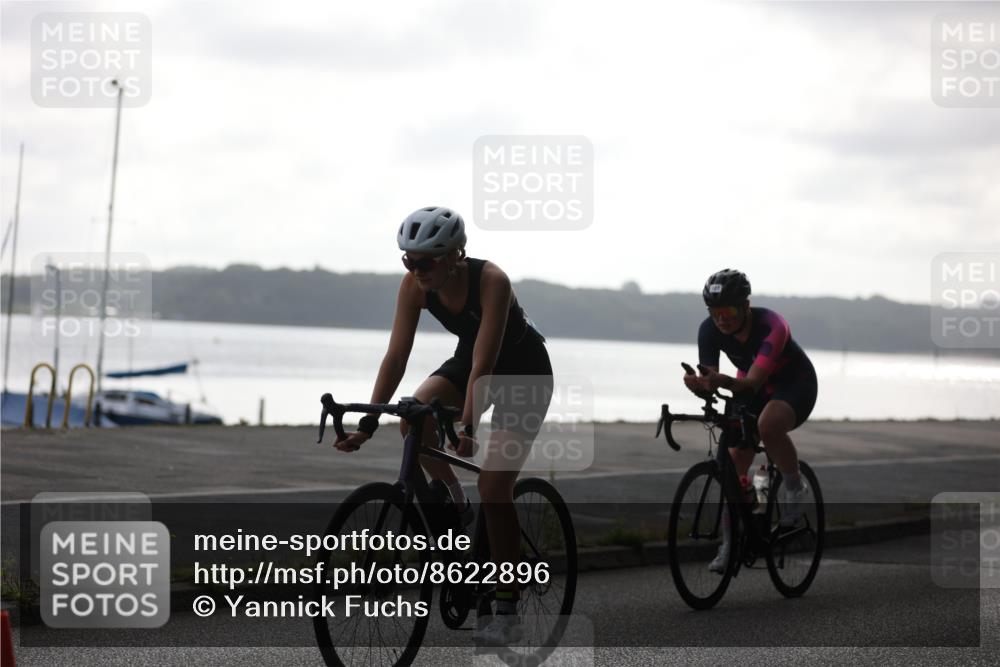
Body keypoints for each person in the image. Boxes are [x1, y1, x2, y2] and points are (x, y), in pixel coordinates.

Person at [333, 206, 553, 645]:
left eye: (427, 261)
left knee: (494, 486)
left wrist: (468, 427)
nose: (417, 270)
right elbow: (396, 357)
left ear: (456, 254)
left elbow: (486, 366)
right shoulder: (414, 285)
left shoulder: (492, 281)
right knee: (413, 420)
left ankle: (507, 601)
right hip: (469, 363)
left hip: (522, 375)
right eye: (408, 260)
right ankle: (454, 502)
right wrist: (368, 423)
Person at [683, 269, 818, 572]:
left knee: (767, 425)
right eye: (715, 312)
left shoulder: (773, 324)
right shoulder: (709, 330)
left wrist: (718, 381)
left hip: (794, 384)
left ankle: (795, 487)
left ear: (745, 306)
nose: (721, 319)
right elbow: (712, 378)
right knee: (734, 463)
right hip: (748, 386)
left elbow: (753, 382)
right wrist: (699, 385)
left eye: (728, 310)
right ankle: (730, 544)